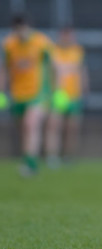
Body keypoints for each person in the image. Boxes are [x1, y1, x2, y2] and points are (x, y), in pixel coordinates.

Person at [0, 14, 54, 176]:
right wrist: (1, 91)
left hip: (38, 93)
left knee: (31, 124)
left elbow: (53, 66)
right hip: (18, 94)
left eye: (23, 29)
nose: (20, 33)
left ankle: (31, 164)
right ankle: (29, 160)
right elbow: (5, 69)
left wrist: (56, 90)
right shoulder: (9, 45)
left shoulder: (41, 42)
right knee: (24, 128)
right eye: (17, 30)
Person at [44, 26, 88, 166]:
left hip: (74, 94)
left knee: (72, 128)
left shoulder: (78, 51)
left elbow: (82, 71)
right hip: (57, 94)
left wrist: (84, 89)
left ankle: (68, 156)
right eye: (65, 35)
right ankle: (52, 157)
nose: (68, 38)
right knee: (54, 126)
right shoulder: (52, 51)